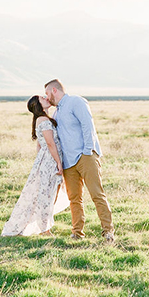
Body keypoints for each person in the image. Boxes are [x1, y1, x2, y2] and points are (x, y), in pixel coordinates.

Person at [45, 79, 115, 242]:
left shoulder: (76, 101)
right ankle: (77, 233)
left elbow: (87, 125)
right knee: (74, 199)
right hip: (68, 162)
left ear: (54, 91)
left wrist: (87, 151)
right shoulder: (56, 112)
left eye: (47, 94)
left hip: (85, 156)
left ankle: (108, 231)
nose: (47, 98)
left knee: (97, 194)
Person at [1, 95, 69, 236]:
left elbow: (39, 146)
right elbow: (50, 144)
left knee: (47, 194)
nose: (46, 98)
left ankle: (43, 227)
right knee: (47, 195)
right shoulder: (43, 120)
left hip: (45, 160)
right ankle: (45, 230)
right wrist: (57, 162)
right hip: (50, 161)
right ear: (38, 104)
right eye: (42, 98)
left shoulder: (41, 119)